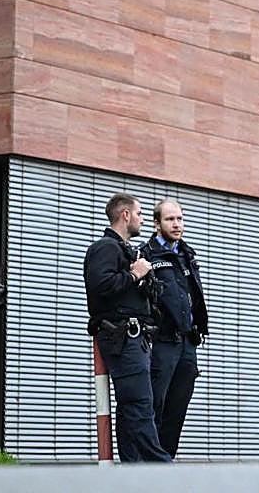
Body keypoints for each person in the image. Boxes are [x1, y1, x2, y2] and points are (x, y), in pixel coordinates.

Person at [83, 193, 172, 463]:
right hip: (123, 335)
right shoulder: (105, 248)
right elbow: (100, 287)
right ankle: (162, 469)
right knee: (139, 405)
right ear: (125, 215)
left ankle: (133, 472)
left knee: (130, 408)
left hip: (135, 337)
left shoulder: (125, 251)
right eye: (141, 213)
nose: (143, 220)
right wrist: (135, 274)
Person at [142, 199, 209, 459]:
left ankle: (165, 463)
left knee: (178, 408)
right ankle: (150, 464)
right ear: (157, 223)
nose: (177, 224)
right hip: (162, 343)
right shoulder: (146, 254)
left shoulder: (186, 254)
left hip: (187, 344)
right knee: (155, 405)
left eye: (180, 219)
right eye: (170, 219)